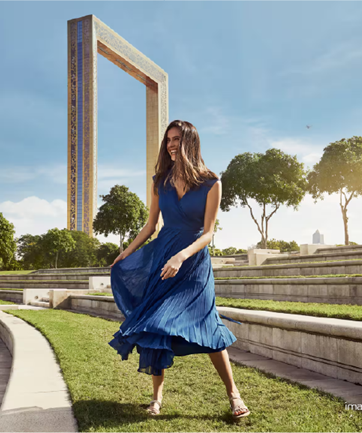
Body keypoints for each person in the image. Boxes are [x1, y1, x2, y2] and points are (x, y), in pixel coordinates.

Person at [108, 119, 250, 420]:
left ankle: (233, 394)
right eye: (168, 140)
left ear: (190, 143)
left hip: (194, 264)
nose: (171, 145)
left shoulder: (212, 182)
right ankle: (156, 398)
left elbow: (209, 232)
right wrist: (126, 252)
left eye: (176, 140)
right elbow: (151, 225)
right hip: (163, 261)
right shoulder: (160, 181)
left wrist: (181, 257)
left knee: (207, 325)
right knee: (156, 325)